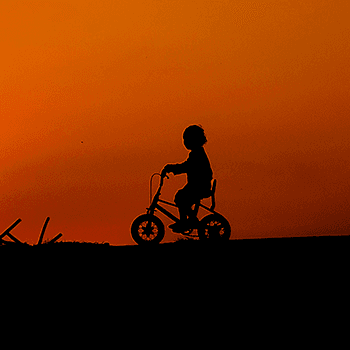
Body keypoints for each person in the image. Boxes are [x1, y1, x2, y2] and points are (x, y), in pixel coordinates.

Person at [161, 125, 213, 233]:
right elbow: (187, 165)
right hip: (196, 185)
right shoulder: (196, 153)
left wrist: (171, 168)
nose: (185, 142)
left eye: (187, 139)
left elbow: (187, 166)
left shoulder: (198, 154)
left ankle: (188, 221)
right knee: (181, 197)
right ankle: (186, 220)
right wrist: (173, 168)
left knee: (181, 198)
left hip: (199, 186)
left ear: (194, 140)